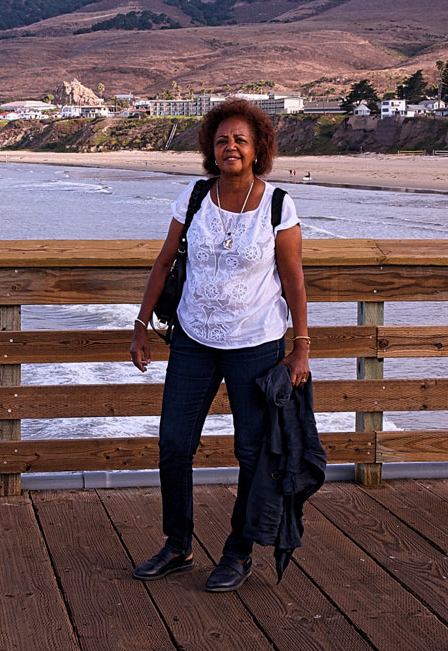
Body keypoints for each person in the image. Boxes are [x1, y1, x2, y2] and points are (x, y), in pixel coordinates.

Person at [129, 99, 311, 593]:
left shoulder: (278, 204)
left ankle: (238, 552)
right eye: (222, 140)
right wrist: (141, 325)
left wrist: (302, 346)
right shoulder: (193, 199)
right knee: (173, 445)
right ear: (211, 148)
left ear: (257, 150)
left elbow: (293, 281)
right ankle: (178, 544)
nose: (230, 146)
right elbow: (163, 264)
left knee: (251, 453)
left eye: (240, 140)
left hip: (257, 344)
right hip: (192, 341)